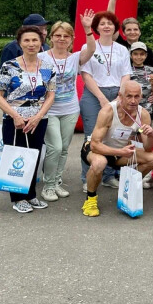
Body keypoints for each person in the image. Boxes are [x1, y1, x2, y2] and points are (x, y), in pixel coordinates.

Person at [0, 26, 56, 213]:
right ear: (20, 43)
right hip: (14, 120)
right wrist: (16, 116)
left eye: (35, 40)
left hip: (38, 119)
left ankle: (31, 195)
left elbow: (51, 95)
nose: (31, 44)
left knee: (33, 157)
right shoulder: (10, 66)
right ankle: (17, 198)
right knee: (16, 156)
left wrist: (38, 117)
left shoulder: (47, 67)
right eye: (26, 40)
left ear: (41, 42)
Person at [37, 11, 96, 202]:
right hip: (49, 109)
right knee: (55, 147)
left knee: (64, 149)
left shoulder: (75, 57)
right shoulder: (42, 58)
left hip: (70, 109)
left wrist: (88, 29)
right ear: (51, 37)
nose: (62, 39)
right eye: (58, 35)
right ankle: (48, 186)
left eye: (66, 36)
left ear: (71, 39)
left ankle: (57, 181)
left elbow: (92, 49)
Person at [80, 81, 153, 217]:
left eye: (137, 96)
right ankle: (90, 199)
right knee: (100, 163)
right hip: (98, 150)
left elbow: (148, 148)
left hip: (121, 152)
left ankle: (127, 188)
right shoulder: (108, 111)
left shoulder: (143, 114)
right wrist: (120, 152)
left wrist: (150, 135)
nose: (133, 101)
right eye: (129, 96)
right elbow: (95, 144)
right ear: (120, 96)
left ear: (141, 97)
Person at [79, 11, 133, 191]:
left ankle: (108, 176)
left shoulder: (122, 49)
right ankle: (88, 177)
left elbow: (126, 73)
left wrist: (121, 94)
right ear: (96, 28)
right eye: (102, 23)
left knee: (113, 137)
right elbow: (86, 75)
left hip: (118, 93)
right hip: (94, 94)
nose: (106, 26)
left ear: (115, 27)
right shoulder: (87, 47)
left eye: (110, 23)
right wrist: (102, 98)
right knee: (92, 137)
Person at [129, 42, 153, 114]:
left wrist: (152, 84)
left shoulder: (151, 70)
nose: (139, 57)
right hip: (131, 109)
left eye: (142, 54)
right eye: (135, 54)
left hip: (147, 109)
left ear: (146, 55)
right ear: (131, 55)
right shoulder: (127, 70)